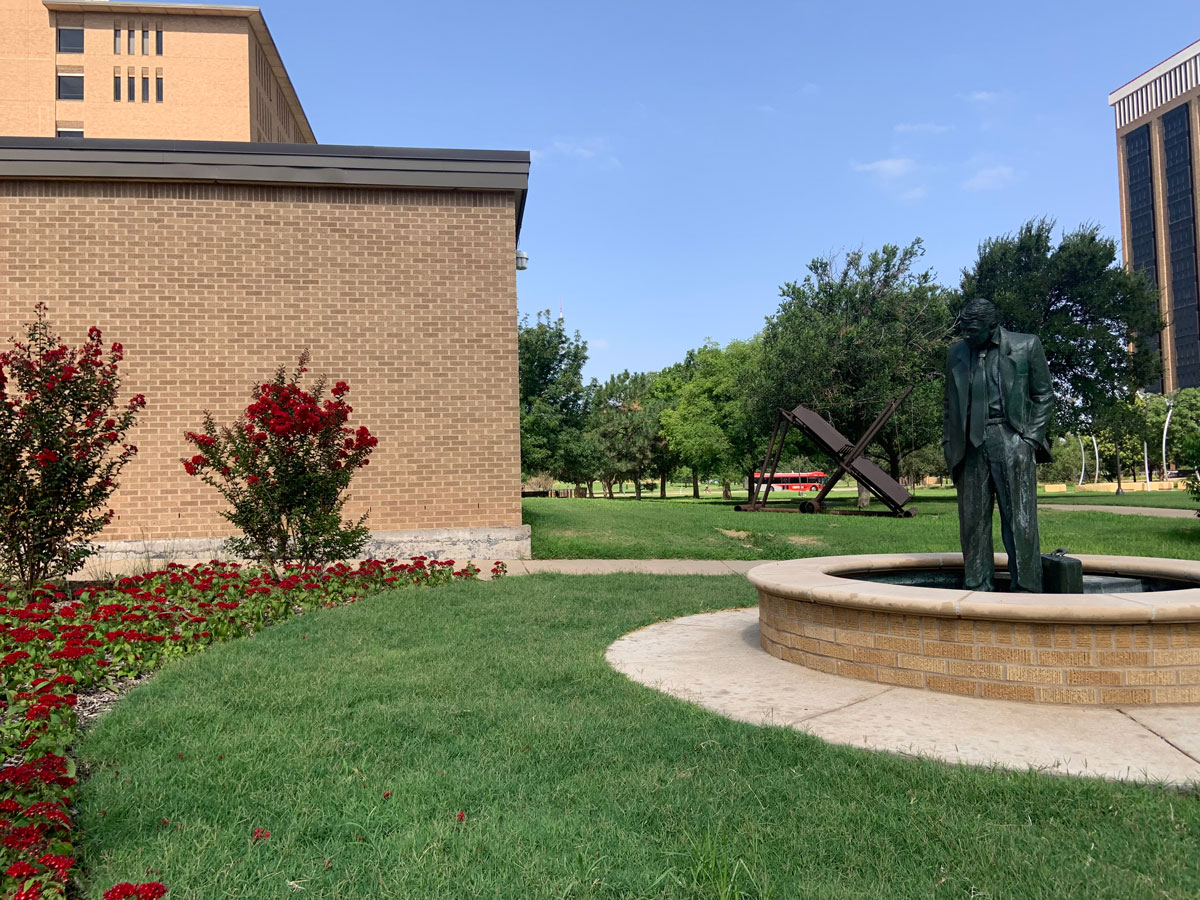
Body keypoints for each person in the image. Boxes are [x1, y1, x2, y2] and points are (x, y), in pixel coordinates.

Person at [943, 297, 1053, 591]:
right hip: (969, 446)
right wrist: (948, 442)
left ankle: (1027, 589)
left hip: (1011, 438)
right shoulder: (956, 354)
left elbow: (1044, 396)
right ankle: (977, 586)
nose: (966, 335)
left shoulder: (1026, 345)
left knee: (1019, 520)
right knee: (972, 522)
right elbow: (948, 405)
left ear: (991, 326)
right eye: (963, 328)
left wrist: (1028, 440)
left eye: (973, 329)